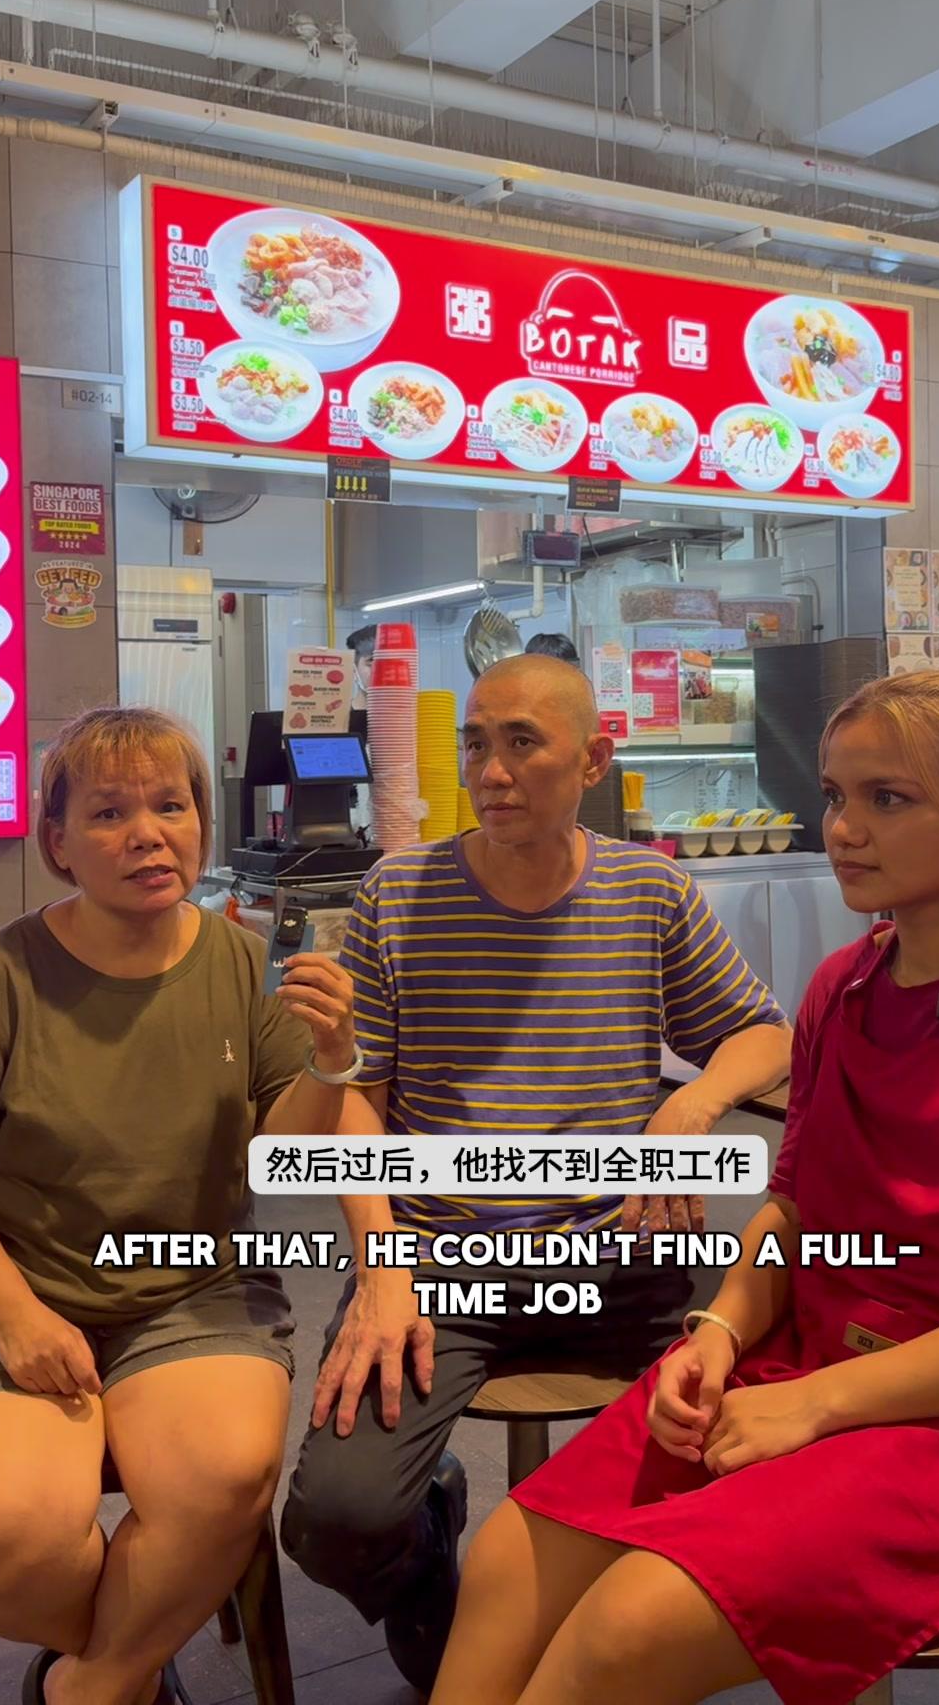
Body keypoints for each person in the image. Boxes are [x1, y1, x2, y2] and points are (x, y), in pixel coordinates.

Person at [430, 670, 939, 1705]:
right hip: (803, 1362)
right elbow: (793, 1211)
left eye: (887, 799)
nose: (844, 828)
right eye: (836, 795)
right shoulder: (841, 989)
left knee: (625, 1628)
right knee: (505, 1562)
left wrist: (818, 1404)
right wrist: (718, 1332)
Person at [282, 653, 792, 1692]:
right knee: (335, 1519)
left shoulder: (649, 892)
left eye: (523, 742)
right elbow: (357, 1093)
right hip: (441, 1260)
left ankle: (594, 1636)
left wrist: (689, 1105)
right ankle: (431, 1557)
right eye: (477, 743)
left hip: (623, 1254)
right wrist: (381, 1264)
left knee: (761, 1450)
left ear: (594, 760)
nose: (492, 770)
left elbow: (763, 1034)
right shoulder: (400, 891)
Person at [0, 706, 360, 1705]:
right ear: (57, 842)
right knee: (5, 1534)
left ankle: (91, 1686)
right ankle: (130, 1663)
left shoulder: (247, 963)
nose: (147, 833)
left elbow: (282, 1157)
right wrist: (15, 1319)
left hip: (193, 1293)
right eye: (109, 813)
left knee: (226, 1478)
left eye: (170, 806)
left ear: (201, 822)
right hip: (16, 1287)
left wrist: (331, 1058)